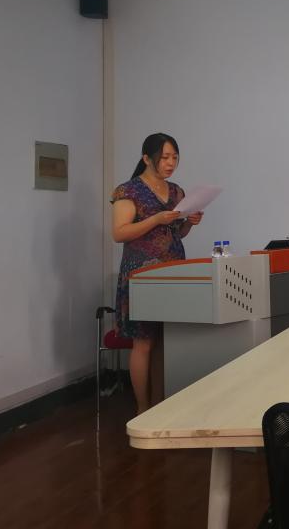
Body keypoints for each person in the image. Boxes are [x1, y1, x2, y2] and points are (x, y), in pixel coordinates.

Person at [111, 133, 203, 414]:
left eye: (174, 157)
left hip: (172, 270)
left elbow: (177, 233)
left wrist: (190, 222)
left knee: (165, 340)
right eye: (164, 157)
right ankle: (143, 408)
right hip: (143, 274)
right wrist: (156, 219)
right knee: (144, 341)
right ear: (147, 158)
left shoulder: (176, 192)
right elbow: (119, 233)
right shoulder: (129, 191)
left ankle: (162, 405)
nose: (171, 163)